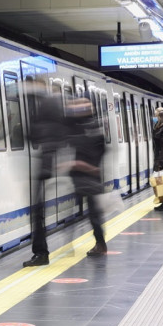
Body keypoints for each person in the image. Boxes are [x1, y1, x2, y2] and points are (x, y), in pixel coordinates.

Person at [22, 81, 69, 267]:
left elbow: (35, 133)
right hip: (49, 164)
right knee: (38, 211)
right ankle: (42, 251)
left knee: (38, 211)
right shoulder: (53, 104)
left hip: (46, 165)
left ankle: (41, 253)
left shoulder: (47, 104)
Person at [64, 98, 108, 256]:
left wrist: (79, 164)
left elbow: (90, 149)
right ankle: (99, 243)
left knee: (93, 212)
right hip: (87, 175)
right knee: (91, 211)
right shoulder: (92, 126)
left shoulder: (87, 128)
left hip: (88, 175)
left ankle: (100, 243)